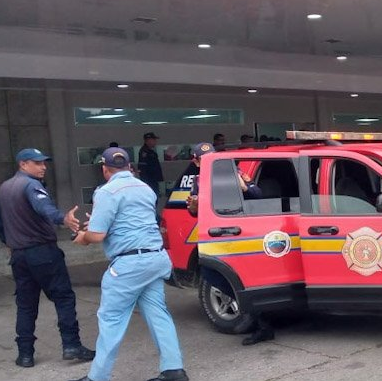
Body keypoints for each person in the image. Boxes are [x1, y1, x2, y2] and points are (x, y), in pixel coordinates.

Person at [69, 147, 188, 381]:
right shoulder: (144, 188)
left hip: (129, 264)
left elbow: (96, 236)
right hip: (155, 258)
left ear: (105, 169)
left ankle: (98, 377)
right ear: (128, 166)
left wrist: (82, 237)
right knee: (158, 314)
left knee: (111, 318)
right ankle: (174, 370)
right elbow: (130, 219)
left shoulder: (107, 192)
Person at [0, 148, 95, 368]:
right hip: (43, 253)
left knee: (25, 305)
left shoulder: (4, 188)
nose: (43, 167)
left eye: (44, 163)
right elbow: (44, 208)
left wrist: (10, 243)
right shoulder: (31, 185)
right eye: (37, 163)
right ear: (23, 164)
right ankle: (71, 345)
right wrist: (63, 219)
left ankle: (25, 355)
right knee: (63, 298)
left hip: (19, 256)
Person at [185, 143, 271, 346]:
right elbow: (194, 211)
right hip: (214, 234)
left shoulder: (236, 172)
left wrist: (244, 186)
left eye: (212, 157)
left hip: (240, 232)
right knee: (211, 275)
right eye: (203, 159)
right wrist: (194, 207)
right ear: (196, 162)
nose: (209, 162)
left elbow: (258, 195)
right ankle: (256, 315)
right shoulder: (199, 181)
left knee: (247, 279)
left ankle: (262, 324)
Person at [138, 132, 164, 197]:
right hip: (149, 180)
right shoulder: (144, 152)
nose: (155, 142)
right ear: (148, 140)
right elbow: (143, 167)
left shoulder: (150, 152)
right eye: (154, 140)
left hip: (153, 179)